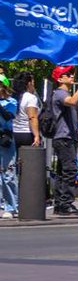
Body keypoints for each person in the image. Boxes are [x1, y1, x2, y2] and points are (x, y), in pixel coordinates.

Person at [44, 66, 78, 216]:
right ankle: (65, 203)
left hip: (68, 136)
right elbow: (72, 101)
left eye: (72, 74)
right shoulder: (60, 94)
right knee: (69, 171)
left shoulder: (64, 93)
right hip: (63, 138)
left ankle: (60, 204)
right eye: (67, 74)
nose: (71, 76)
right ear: (59, 78)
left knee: (63, 172)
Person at [0, 80, 18, 218]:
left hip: (5, 139)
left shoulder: (11, 102)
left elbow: (8, 116)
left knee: (8, 174)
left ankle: (11, 206)